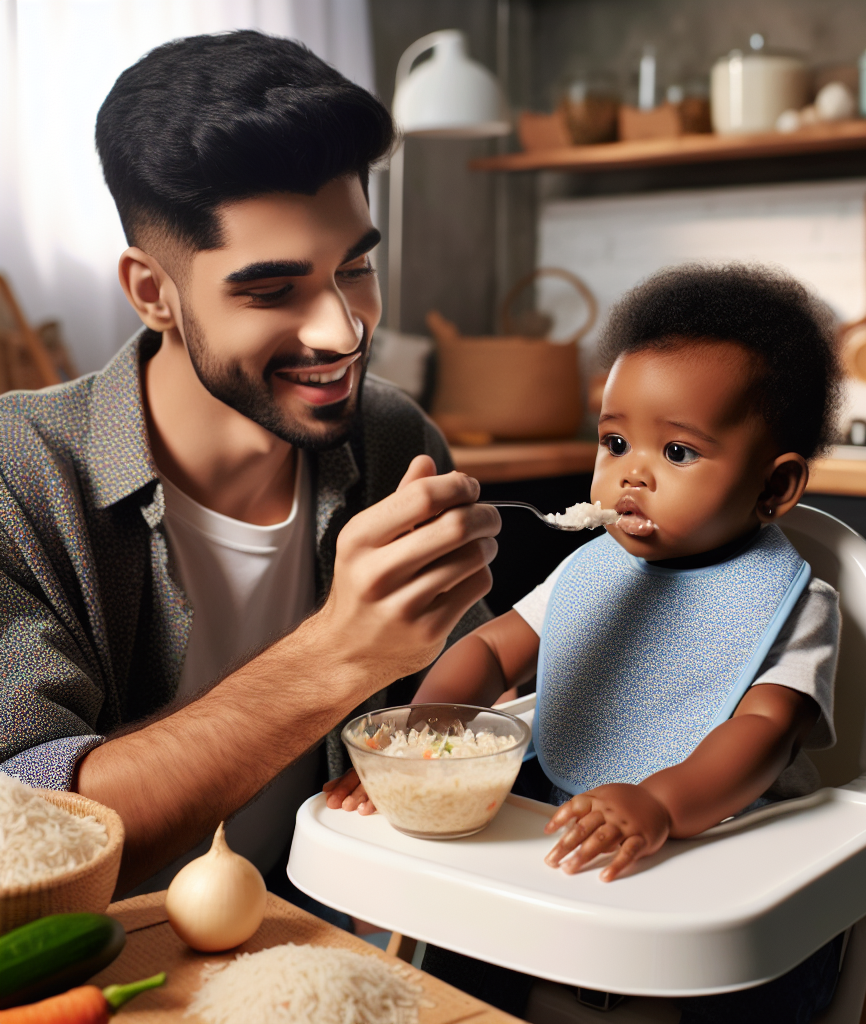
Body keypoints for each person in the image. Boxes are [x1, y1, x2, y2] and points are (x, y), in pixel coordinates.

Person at [0, 30, 501, 900]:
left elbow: (456, 738)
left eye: (356, 268)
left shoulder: (391, 440)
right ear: (154, 291)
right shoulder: (17, 478)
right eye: (272, 291)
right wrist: (341, 652)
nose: (342, 332)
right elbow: (28, 826)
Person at [330, 265, 847, 1022]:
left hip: (716, 834)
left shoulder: (794, 604)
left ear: (774, 488)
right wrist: (421, 741)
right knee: (468, 950)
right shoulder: (591, 568)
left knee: (744, 978)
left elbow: (764, 733)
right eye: (614, 441)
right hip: (556, 814)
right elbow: (494, 651)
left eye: (677, 453)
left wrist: (662, 802)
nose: (631, 473)